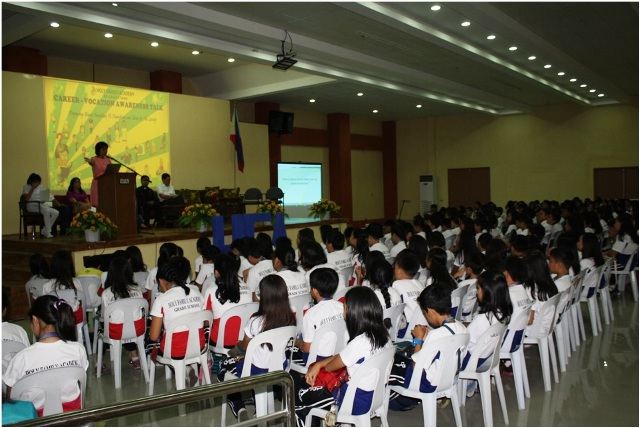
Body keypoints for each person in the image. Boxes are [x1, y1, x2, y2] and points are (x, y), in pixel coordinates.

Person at [294, 286, 390, 427]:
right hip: (375, 397)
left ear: (353, 312)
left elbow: (331, 367)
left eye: (345, 306)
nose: (343, 309)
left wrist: (319, 365)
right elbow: (343, 356)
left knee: (298, 392)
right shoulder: (384, 336)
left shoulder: (359, 342)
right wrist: (319, 364)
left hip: (352, 402)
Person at [218, 274, 296, 419]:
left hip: (257, 371)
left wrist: (234, 350)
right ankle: (258, 408)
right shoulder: (290, 317)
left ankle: (239, 407)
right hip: (280, 368)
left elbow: (244, 346)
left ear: (263, 296)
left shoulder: (255, 321)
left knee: (223, 366)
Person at [4, 295, 89, 416]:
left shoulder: (21, 359)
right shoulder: (78, 349)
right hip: (72, 416)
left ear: (35, 320)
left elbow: (11, 399)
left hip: (34, 419)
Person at [388, 285, 467, 408]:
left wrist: (418, 340)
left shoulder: (436, 335)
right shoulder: (462, 328)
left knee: (390, 365)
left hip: (425, 384)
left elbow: (416, 367)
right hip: (448, 379)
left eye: (425, 313)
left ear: (430, 311)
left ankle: (397, 401)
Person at [462, 271, 513, 397]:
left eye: (478, 288)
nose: (476, 292)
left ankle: (462, 385)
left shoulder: (482, 319)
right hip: (487, 357)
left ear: (488, 292)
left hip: (470, 361)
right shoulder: (504, 313)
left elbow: (464, 339)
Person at [149, 256, 204, 360]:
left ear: (161, 281)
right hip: (199, 345)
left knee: (149, 343)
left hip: (174, 351)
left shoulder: (161, 300)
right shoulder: (196, 292)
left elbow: (154, 336)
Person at [292, 268, 344, 366]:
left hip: (316, 360)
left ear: (315, 291)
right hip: (339, 355)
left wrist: (296, 342)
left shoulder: (311, 314)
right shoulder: (342, 307)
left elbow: (306, 348)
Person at [101, 256, 145, 369]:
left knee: (104, 328)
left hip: (117, 332)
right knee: (129, 323)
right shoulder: (138, 289)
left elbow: (104, 317)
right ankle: (135, 356)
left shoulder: (106, 293)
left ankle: (99, 362)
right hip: (138, 329)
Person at [203, 253, 252, 349]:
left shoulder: (211, 290)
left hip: (219, 342)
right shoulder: (247, 287)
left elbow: (206, 321)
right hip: (244, 339)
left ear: (216, 272)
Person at [41, 251, 83, 326]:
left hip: (55, 322)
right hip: (75, 320)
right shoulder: (76, 282)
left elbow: (45, 308)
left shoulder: (47, 285)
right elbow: (82, 302)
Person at [523, 250, 559, 339]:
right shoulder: (551, 285)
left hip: (533, 331)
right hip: (547, 327)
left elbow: (529, 321)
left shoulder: (531, 290)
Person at [21, 173, 59, 238]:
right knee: (46, 210)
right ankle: (48, 232)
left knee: (56, 212)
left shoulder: (41, 187)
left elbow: (46, 198)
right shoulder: (26, 187)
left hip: (41, 205)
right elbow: (26, 199)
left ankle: (44, 230)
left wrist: (46, 200)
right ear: (31, 181)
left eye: (39, 182)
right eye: (36, 182)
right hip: (31, 205)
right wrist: (32, 188)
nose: (38, 184)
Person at [85, 141, 111, 208]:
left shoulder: (108, 160)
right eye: (103, 149)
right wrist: (89, 161)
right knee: (95, 204)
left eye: (106, 149)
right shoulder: (94, 159)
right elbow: (91, 162)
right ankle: (94, 214)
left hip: (106, 184)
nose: (105, 151)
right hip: (97, 183)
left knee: (106, 203)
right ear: (98, 149)